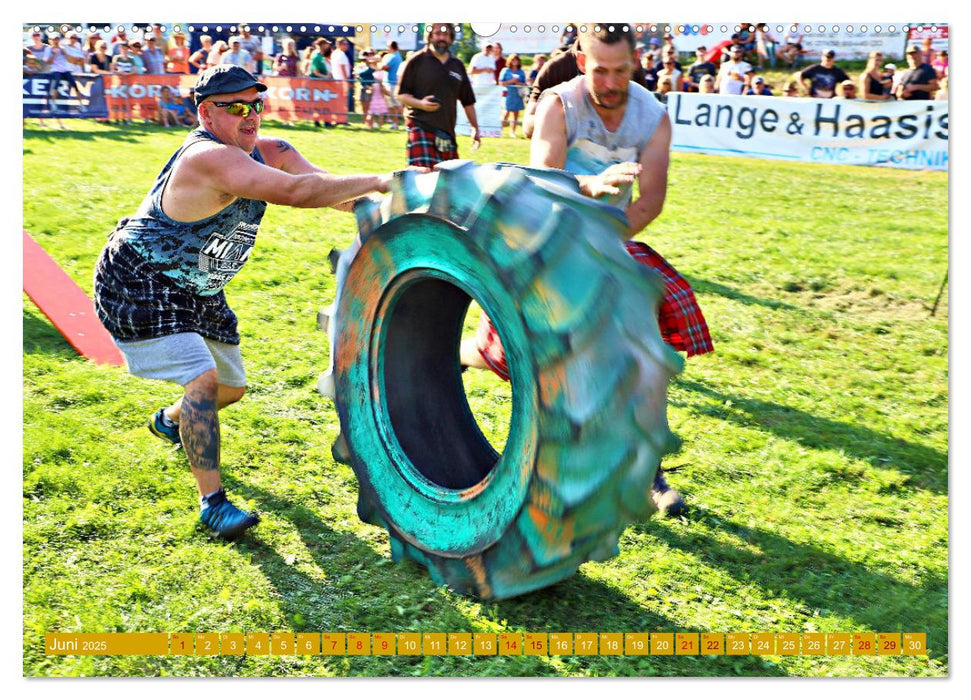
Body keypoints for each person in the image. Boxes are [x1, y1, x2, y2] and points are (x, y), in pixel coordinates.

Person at [93, 65, 416, 542]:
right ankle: (213, 505)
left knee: (230, 389)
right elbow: (295, 193)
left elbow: (331, 193)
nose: (251, 116)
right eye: (236, 107)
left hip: (200, 287)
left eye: (257, 105)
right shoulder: (208, 158)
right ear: (206, 112)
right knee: (201, 379)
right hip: (142, 279)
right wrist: (381, 177)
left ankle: (169, 421)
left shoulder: (273, 152)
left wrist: (403, 196)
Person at [465, 25, 713, 517]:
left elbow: (652, 200)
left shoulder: (653, 117)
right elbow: (542, 185)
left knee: (639, 354)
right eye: (600, 70)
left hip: (609, 243)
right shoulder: (560, 105)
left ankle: (649, 472)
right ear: (582, 61)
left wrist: (605, 244)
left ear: (636, 62)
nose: (610, 81)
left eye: (621, 70)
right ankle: (441, 362)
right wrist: (589, 185)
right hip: (544, 236)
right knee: (507, 355)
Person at [396, 23, 480, 166]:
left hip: (447, 130)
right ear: (429, 36)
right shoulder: (416, 61)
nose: (442, 38)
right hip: (421, 126)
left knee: (448, 184)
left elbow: (468, 101)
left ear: (451, 37)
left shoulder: (457, 65)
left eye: (446, 34)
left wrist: (475, 128)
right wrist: (420, 103)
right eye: (438, 34)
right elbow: (401, 95)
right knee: (422, 178)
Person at [499, 53, 527, 137]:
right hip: (508, 94)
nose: (515, 61)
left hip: (517, 95)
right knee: (506, 113)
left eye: (516, 60)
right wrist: (511, 81)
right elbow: (501, 82)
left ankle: (512, 132)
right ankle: (499, 130)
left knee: (515, 114)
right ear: (510, 61)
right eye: (513, 60)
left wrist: (519, 83)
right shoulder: (505, 70)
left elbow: (524, 83)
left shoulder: (521, 71)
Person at [381, 41, 403, 129]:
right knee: (393, 105)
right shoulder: (397, 55)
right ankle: (395, 123)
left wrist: (380, 64)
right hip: (391, 83)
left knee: (397, 104)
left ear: (391, 47)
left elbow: (384, 67)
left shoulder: (393, 56)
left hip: (392, 84)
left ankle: (406, 122)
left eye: (388, 46)